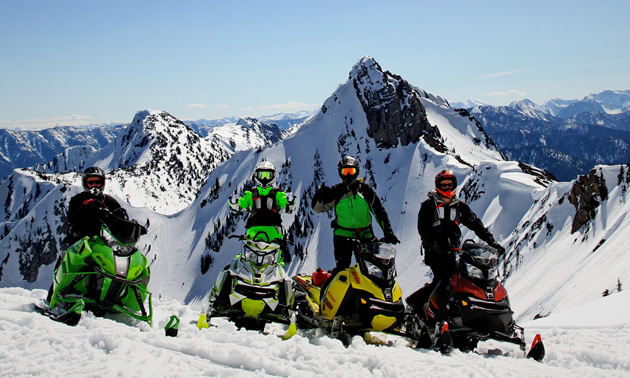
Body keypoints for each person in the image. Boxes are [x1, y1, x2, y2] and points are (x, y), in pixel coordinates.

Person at [406, 169, 505, 314]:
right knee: (443, 279)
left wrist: (492, 242)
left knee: (463, 280)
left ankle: (458, 311)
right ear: (437, 185)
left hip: (454, 251)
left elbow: (476, 225)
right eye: (444, 185)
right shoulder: (429, 205)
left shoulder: (460, 207)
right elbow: (423, 229)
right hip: (435, 252)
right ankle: (417, 304)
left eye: (449, 185)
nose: (447, 188)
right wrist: (434, 245)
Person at [312, 156, 400, 281]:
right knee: (342, 269)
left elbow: (379, 211)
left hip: (365, 233)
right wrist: (320, 194)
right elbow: (318, 208)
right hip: (342, 234)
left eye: (351, 171)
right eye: (345, 171)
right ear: (340, 173)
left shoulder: (365, 190)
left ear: (357, 171)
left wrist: (388, 232)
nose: (348, 175)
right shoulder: (337, 191)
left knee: (374, 268)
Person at [47, 166, 124, 302]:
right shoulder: (78, 200)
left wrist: (125, 222)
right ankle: (53, 298)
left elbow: (121, 218)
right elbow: (72, 216)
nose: (94, 185)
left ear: (103, 183)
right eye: (91, 182)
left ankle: (112, 298)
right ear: (85, 184)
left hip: (103, 244)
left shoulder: (110, 202)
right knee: (63, 266)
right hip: (78, 242)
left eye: (97, 182)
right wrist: (85, 208)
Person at [229, 160, 296, 262]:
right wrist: (234, 202)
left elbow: (286, 206)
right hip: (257, 232)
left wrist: (290, 201)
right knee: (246, 260)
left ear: (273, 176)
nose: (264, 178)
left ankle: (278, 277)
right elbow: (240, 205)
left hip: (271, 233)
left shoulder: (277, 193)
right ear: (257, 175)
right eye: (262, 175)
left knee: (275, 262)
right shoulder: (251, 193)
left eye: (268, 175)